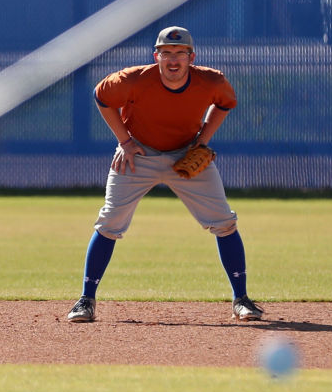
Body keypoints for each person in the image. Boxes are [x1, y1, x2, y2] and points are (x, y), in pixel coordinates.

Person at [67, 26, 263, 324]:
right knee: (109, 222)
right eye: (166, 53)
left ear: (191, 57)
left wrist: (203, 140)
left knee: (224, 222)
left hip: (186, 156)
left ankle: (242, 300)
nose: (173, 60)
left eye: (180, 54)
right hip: (139, 155)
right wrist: (125, 141)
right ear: (156, 56)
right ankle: (86, 300)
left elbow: (225, 103)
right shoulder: (133, 79)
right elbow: (102, 97)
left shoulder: (211, 80)